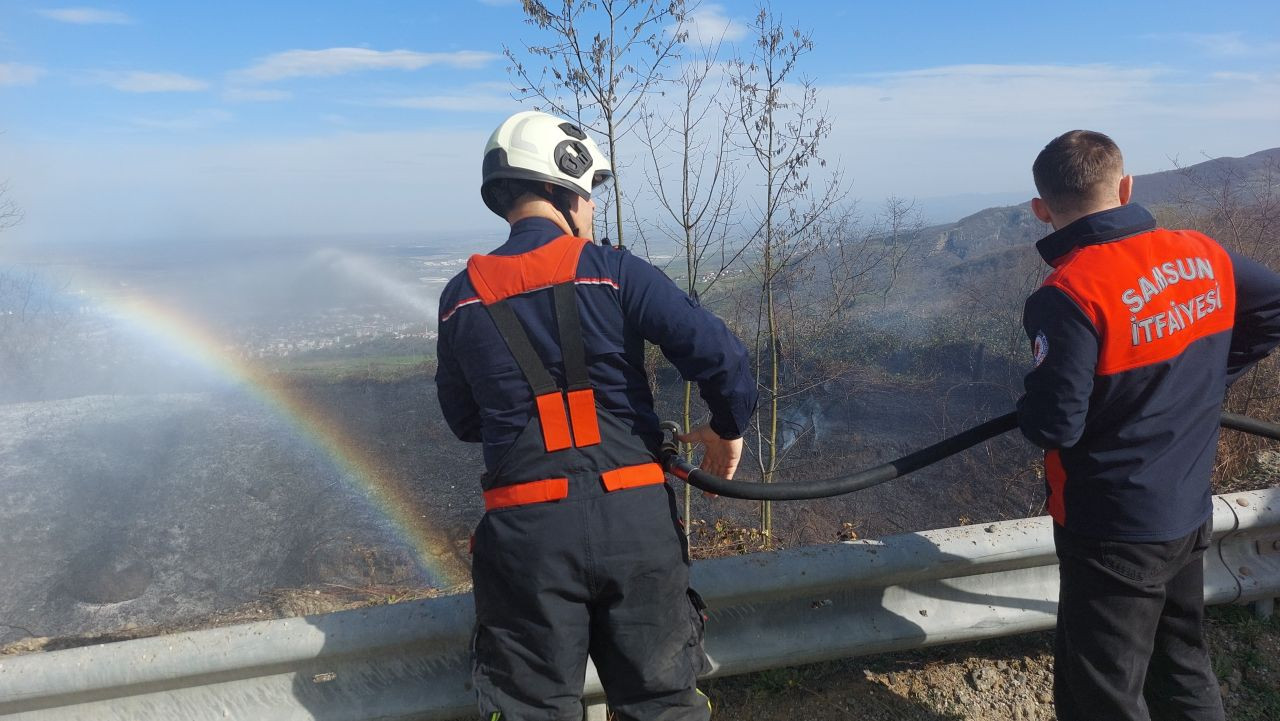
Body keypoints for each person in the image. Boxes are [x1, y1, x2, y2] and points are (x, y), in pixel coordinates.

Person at [435, 110, 756, 720]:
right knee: (662, 705)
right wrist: (726, 428)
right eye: (588, 193)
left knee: (532, 710)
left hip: (526, 538)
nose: (591, 207)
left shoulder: (461, 298)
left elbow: (464, 421)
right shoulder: (613, 272)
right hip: (636, 522)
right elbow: (722, 356)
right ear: (562, 187)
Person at [1017, 129, 1280, 721]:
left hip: (1111, 525)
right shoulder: (1202, 252)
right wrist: (1209, 378)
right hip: (1187, 508)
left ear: (1041, 209)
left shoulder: (1069, 290)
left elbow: (1055, 425)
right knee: (1181, 664)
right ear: (1126, 187)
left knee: (1102, 694)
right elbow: (1272, 307)